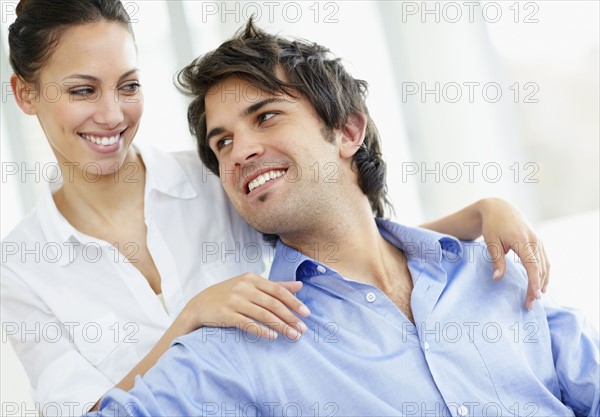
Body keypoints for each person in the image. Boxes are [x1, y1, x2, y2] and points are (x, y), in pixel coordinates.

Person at [2, 1, 550, 414]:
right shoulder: (19, 267)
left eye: (128, 86)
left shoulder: (219, 174)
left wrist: (476, 216)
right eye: (81, 91)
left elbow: (343, 247)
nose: (112, 114)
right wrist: (190, 318)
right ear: (25, 94)